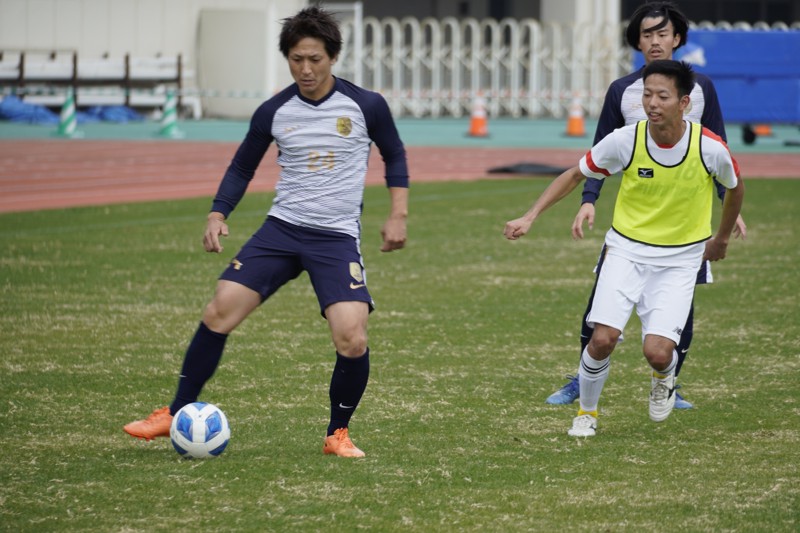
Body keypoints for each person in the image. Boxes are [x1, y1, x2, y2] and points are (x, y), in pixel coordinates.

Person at [123, 6, 409, 458]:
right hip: (281, 230)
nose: (306, 69)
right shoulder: (274, 110)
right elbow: (242, 166)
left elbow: (395, 155)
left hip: (334, 237)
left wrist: (398, 215)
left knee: (352, 335)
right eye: (297, 59)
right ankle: (177, 412)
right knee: (219, 310)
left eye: (314, 58)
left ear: (332, 57)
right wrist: (218, 213)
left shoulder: (365, 105)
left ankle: (337, 434)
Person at [505, 59, 744, 436]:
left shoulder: (709, 147)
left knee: (658, 353)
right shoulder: (627, 139)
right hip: (626, 250)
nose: (652, 102)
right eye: (647, 94)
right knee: (602, 339)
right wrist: (530, 215)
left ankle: (664, 380)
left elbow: (734, 187)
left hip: (681, 259)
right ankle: (587, 413)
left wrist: (721, 238)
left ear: (684, 102)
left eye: (662, 95)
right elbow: (574, 173)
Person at [545, 1, 747, 409]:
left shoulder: (701, 89)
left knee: (678, 307)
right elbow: (600, 149)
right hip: (634, 223)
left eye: (662, 33)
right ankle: (579, 380)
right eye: (646, 34)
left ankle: (672, 383)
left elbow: (719, 150)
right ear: (637, 41)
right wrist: (589, 200)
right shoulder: (622, 90)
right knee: (600, 309)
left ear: (677, 39)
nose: (654, 41)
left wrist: (729, 206)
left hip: (685, 224)